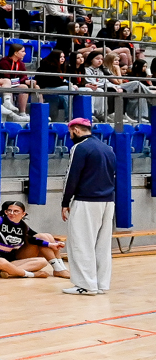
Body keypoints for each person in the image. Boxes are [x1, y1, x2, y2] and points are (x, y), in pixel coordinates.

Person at [61, 117, 116, 295]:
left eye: (70, 132)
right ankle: (101, 284)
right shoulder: (107, 148)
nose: (70, 136)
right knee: (102, 245)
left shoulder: (80, 147)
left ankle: (85, 285)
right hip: (108, 201)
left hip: (87, 201)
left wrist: (65, 202)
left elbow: (72, 176)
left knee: (81, 243)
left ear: (76, 130)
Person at [0, 201, 65, 278]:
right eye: (9, 211)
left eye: (16, 211)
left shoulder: (23, 226)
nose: (12, 213)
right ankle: (30, 274)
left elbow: (34, 239)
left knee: (42, 261)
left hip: (11, 258)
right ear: (5, 212)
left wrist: (52, 244)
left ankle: (9, 272)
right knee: (2, 262)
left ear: (23, 214)